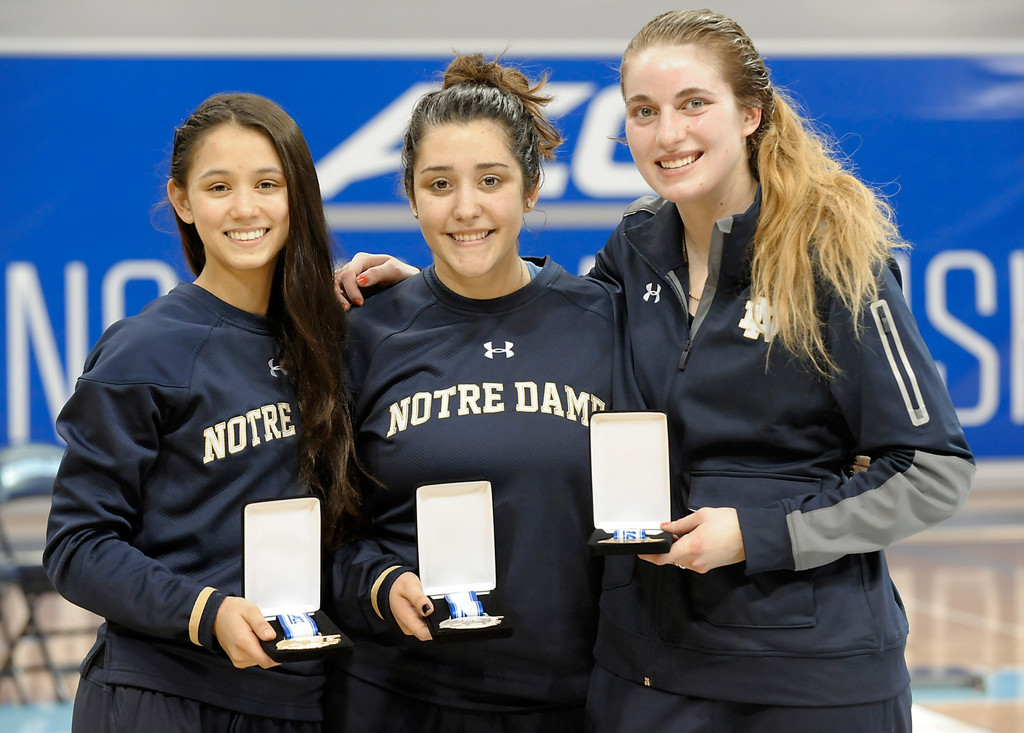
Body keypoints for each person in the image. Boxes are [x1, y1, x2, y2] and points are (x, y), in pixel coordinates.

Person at [336, 9, 975, 732]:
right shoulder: (636, 250)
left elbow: (931, 469)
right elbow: (533, 317)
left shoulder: (835, 258)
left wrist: (759, 533)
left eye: (694, 104)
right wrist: (428, 289)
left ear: (751, 114)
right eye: (644, 111)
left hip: (811, 673)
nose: (668, 133)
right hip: (655, 668)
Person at [324, 53, 631, 732]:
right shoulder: (365, 334)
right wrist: (379, 583)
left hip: (573, 702)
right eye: (440, 183)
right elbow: (323, 531)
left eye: (490, 180)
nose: (466, 208)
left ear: (530, 188)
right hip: (400, 698)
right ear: (410, 194)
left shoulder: (605, 324)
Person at [44, 92, 364, 732]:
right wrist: (206, 610)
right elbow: (76, 546)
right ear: (183, 201)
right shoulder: (146, 349)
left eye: (267, 184)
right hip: (163, 698)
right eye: (219, 186)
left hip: (297, 701)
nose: (245, 208)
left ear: (296, 195)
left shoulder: (333, 340)